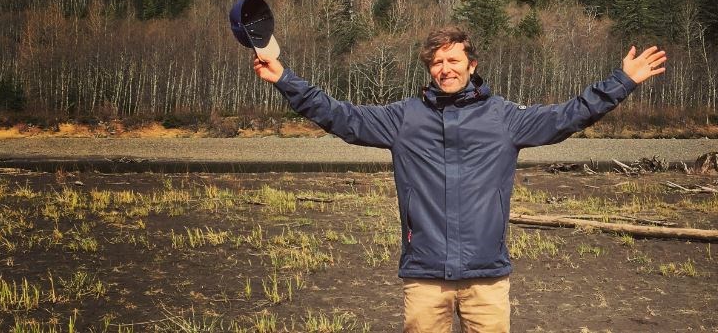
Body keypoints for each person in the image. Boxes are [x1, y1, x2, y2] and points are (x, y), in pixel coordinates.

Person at [253, 27, 666, 333]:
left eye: (453, 60)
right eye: (437, 62)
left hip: (486, 276)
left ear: (472, 65)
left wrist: (622, 81)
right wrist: (284, 79)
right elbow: (339, 115)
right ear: (429, 69)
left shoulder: (505, 118)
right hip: (425, 275)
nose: (445, 68)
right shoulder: (404, 119)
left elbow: (570, 114)